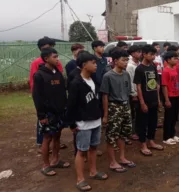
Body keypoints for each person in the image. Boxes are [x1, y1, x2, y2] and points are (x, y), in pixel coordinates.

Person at [67, 51, 108, 191]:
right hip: (83, 124)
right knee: (81, 151)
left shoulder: (94, 80)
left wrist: (101, 116)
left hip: (96, 120)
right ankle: (80, 179)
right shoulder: (76, 83)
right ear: (84, 65)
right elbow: (71, 105)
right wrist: (72, 123)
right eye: (93, 63)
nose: (96, 65)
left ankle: (93, 171)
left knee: (94, 148)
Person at [32, 48, 70, 176]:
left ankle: (55, 160)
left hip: (59, 111)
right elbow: (37, 96)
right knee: (47, 138)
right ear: (46, 59)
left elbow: (62, 92)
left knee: (57, 136)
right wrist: (41, 115)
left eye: (57, 56)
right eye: (54, 57)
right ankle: (46, 165)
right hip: (48, 113)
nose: (57, 59)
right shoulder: (39, 75)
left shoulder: (58, 73)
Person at [100, 49, 135, 173]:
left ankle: (122, 157)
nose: (126, 62)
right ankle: (112, 162)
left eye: (127, 60)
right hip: (113, 107)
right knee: (112, 135)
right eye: (123, 60)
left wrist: (128, 107)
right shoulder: (108, 76)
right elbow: (105, 96)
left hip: (125, 106)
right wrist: (105, 115)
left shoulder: (126, 74)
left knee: (123, 134)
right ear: (115, 61)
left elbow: (128, 92)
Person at [30, 37, 65, 152]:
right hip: (45, 101)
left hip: (57, 101)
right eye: (48, 46)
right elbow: (35, 83)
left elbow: (59, 76)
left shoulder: (56, 64)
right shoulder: (37, 64)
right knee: (44, 125)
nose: (51, 48)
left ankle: (55, 146)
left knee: (57, 127)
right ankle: (41, 143)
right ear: (42, 48)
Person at [134, 45, 164, 156]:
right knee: (142, 123)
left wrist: (158, 99)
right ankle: (143, 144)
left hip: (154, 100)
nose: (153, 57)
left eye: (154, 54)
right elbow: (138, 87)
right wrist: (142, 102)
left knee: (153, 122)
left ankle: (151, 141)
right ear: (144, 54)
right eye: (151, 54)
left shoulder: (153, 67)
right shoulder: (139, 69)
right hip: (144, 101)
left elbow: (157, 84)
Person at [161, 51, 179, 145]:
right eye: (174, 58)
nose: (176, 60)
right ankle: (166, 137)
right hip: (170, 96)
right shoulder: (166, 71)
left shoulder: (175, 69)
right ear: (168, 60)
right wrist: (166, 99)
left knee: (174, 116)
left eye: (177, 58)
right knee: (168, 117)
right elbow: (164, 86)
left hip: (176, 95)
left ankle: (172, 134)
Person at [126, 45, 142, 141]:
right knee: (133, 113)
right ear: (132, 54)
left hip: (140, 92)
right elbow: (131, 80)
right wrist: (133, 94)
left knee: (139, 112)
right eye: (138, 52)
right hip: (134, 93)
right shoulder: (130, 66)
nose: (140, 54)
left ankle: (139, 129)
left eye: (140, 52)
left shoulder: (139, 64)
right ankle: (132, 132)